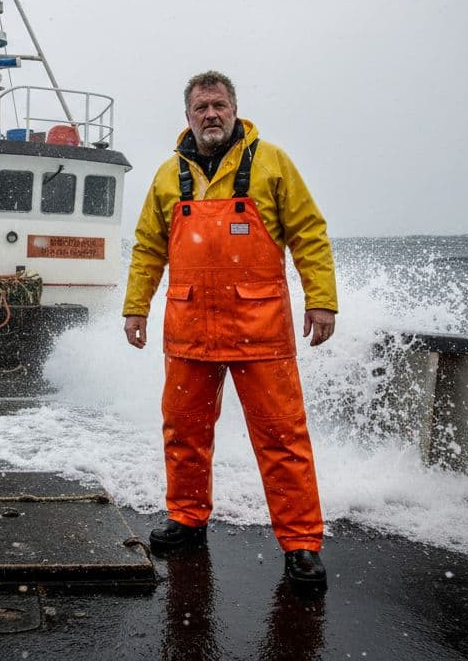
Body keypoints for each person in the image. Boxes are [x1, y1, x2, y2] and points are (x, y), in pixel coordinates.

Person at [122, 71, 337, 587]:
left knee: (283, 439)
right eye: (201, 107)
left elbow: (309, 233)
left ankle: (301, 544)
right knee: (184, 432)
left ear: (234, 109)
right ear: (188, 116)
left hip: (260, 330)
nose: (211, 114)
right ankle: (187, 519)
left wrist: (322, 301)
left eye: (219, 105)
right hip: (188, 328)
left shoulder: (272, 162)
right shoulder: (166, 176)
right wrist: (136, 309)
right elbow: (149, 247)